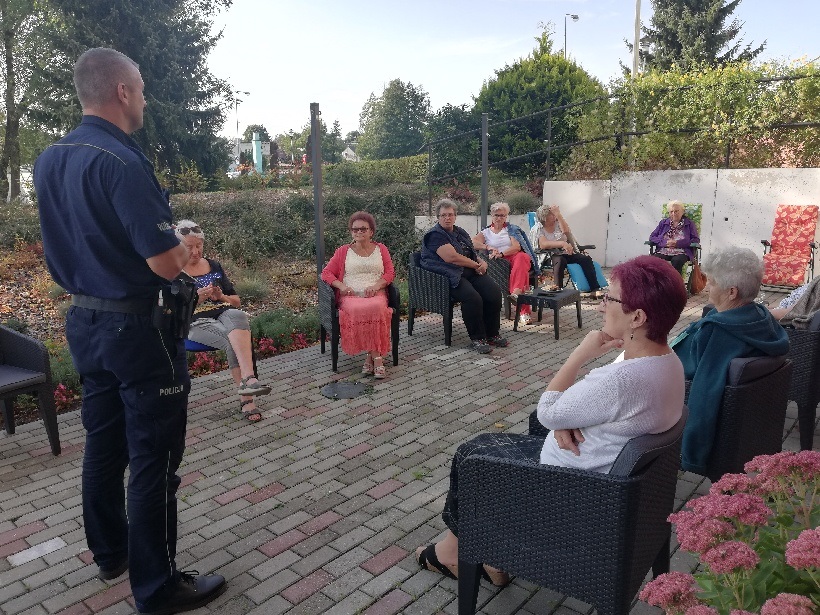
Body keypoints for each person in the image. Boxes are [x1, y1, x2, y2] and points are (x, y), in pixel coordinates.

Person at [33, 48, 225, 615]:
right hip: (138, 328)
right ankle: (158, 587)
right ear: (122, 91)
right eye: (140, 87)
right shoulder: (121, 159)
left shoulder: (50, 158)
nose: (144, 97)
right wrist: (184, 247)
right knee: (153, 458)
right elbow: (163, 264)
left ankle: (111, 553)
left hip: (84, 321)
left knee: (103, 444)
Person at [415, 255, 687, 583]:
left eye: (609, 299)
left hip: (570, 493)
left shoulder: (621, 381)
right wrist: (561, 421)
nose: (601, 306)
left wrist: (580, 354)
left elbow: (549, 411)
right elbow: (578, 410)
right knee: (534, 424)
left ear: (637, 317)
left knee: (471, 454)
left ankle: (451, 554)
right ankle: (495, 555)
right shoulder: (669, 361)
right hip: (612, 487)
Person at [672, 246, 789, 475]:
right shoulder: (761, 317)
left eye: (712, 282)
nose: (707, 286)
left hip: (671, 391)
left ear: (731, 292)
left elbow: (705, 391)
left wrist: (691, 454)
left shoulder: (719, 334)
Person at [176, 220, 272, 420]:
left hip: (223, 313)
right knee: (235, 341)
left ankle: (249, 378)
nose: (196, 251)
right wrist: (196, 299)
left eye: (199, 245)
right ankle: (247, 399)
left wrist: (221, 297)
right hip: (195, 321)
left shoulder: (214, 266)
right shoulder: (173, 271)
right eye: (189, 247)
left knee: (238, 315)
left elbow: (236, 301)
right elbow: (173, 312)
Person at [421, 199, 507, 354]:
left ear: (455, 216)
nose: (447, 218)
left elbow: (470, 252)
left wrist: (481, 262)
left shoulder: (460, 232)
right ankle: (478, 338)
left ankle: (492, 333)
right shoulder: (435, 235)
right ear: (438, 217)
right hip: (448, 275)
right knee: (472, 298)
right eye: (443, 215)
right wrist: (476, 266)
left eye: (450, 214)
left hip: (467, 270)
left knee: (494, 292)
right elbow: (451, 257)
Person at [321, 211, 395, 378]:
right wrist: (341, 286)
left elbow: (390, 273)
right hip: (351, 295)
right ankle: (376, 358)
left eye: (363, 229)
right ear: (351, 232)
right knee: (357, 309)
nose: (359, 232)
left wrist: (377, 286)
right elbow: (326, 273)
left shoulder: (381, 249)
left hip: (376, 293)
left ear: (371, 231)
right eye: (355, 229)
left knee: (376, 307)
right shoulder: (343, 251)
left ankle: (371, 357)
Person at [472, 202, 539, 325]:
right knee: (522, 273)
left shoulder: (510, 229)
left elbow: (516, 247)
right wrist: (487, 247)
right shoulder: (486, 232)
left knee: (522, 257)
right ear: (492, 215)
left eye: (502, 215)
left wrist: (502, 253)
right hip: (498, 264)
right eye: (497, 215)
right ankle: (523, 310)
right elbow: (473, 242)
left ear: (506, 216)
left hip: (512, 257)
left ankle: (516, 293)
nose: (499, 218)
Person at [535, 203, 603, 298]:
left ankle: (595, 289)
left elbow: (567, 232)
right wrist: (562, 243)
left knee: (585, 259)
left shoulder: (558, 223)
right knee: (560, 260)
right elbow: (543, 244)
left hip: (565, 252)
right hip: (549, 255)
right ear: (544, 217)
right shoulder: (539, 228)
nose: (554, 215)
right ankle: (558, 290)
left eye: (554, 213)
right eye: (551, 214)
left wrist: (559, 215)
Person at [648, 200, 700, 275]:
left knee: (677, 261)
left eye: (676, 211)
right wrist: (665, 243)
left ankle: (675, 281)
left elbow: (695, 240)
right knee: (654, 260)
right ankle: (658, 281)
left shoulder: (689, 224)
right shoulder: (663, 223)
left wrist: (678, 243)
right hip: (663, 251)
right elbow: (652, 237)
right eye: (671, 211)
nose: (673, 214)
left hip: (682, 252)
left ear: (682, 212)